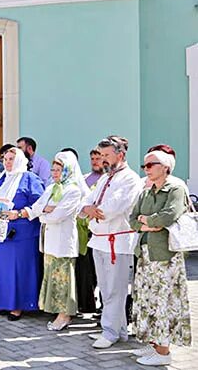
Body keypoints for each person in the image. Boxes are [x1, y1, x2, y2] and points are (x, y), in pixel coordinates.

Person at [128, 149, 192, 366]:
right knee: (148, 301)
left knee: (164, 301)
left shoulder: (176, 187)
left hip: (165, 254)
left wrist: (149, 221)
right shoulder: (147, 191)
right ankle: (155, 345)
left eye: (149, 165)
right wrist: (148, 224)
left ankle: (164, 352)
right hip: (146, 254)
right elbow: (132, 219)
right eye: (144, 166)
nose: (145, 169)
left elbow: (170, 215)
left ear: (165, 167)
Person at [81, 135, 142, 349]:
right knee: (105, 289)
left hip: (118, 241)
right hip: (99, 240)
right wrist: (87, 209)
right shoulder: (106, 178)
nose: (103, 159)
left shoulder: (130, 179)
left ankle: (110, 331)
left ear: (121, 154)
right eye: (101, 155)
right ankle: (119, 330)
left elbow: (114, 207)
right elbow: (87, 200)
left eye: (106, 155)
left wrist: (93, 210)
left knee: (114, 289)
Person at [19, 151, 88, 331]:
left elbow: (58, 216)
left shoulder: (73, 190)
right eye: (53, 169)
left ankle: (65, 314)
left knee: (63, 278)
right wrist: (45, 210)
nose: (55, 173)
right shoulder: (52, 188)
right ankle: (55, 310)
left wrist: (45, 213)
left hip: (63, 241)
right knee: (52, 276)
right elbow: (37, 207)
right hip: (50, 241)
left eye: (59, 170)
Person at [0, 147, 45, 319]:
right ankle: (3, 302)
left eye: (11, 159)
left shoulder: (30, 179)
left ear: (19, 160)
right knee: (1, 270)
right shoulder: (1, 178)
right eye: (5, 159)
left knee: (17, 271)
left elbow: (39, 205)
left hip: (20, 235)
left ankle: (18, 305)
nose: (7, 162)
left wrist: (19, 213)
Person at [76, 147, 103, 315]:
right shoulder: (85, 179)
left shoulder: (106, 180)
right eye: (92, 158)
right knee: (87, 269)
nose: (95, 162)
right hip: (82, 231)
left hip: (99, 229)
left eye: (98, 158)